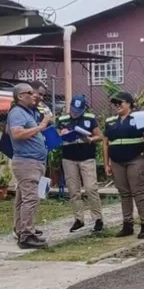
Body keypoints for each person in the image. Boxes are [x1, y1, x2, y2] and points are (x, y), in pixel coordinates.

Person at [103, 91, 144, 239]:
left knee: (138, 192)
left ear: (129, 104)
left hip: (136, 160)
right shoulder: (110, 121)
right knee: (124, 193)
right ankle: (127, 225)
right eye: (115, 103)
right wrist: (106, 163)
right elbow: (105, 144)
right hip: (117, 162)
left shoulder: (140, 117)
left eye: (121, 102)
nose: (117, 105)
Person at [8, 82, 52, 249]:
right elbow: (17, 133)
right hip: (27, 162)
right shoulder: (18, 112)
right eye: (29, 92)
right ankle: (27, 235)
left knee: (22, 198)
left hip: (33, 161)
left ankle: (21, 229)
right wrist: (41, 127)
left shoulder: (27, 113)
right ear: (20, 96)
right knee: (30, 198)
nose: (34, 95)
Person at [57, 94, 104, 233]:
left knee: (91, 188)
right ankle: (79, 219)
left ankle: (98, 218)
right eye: (73, 109)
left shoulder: (90, 119)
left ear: (84, 109)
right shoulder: (63, 119)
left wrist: (91, 139)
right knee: (73, 190)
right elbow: (56, 136)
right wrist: (62, 134)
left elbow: (100, 136)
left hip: (87, 157)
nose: (75, 113)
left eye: (78, 110)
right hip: (69, 158)